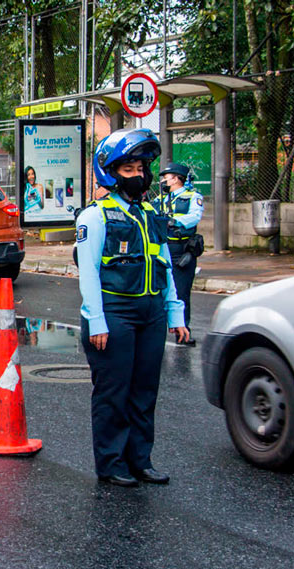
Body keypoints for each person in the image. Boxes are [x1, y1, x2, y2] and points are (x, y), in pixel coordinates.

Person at [75, 128, 190, 488]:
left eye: (142, 168)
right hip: (114, 314)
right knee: (114, 393)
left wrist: (175, 314)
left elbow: (165, 265)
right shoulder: (95, 217)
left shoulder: (150, 214)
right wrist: (97, 322)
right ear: (110, 172)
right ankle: (111, 463)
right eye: (129, 169)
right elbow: (89, 273)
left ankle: (140, 460)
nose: (139, 175)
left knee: (144, 391)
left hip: (150, 313)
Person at [154, 162, 203, 346]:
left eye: (167, 178)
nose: (164, 181)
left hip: (182, 251)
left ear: (176, 178)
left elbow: (194, 217)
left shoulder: (192, 197)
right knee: (158, 291)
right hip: (163, 248)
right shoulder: (160, 199)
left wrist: (173, 221)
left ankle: (184, 332)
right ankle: (157, 331)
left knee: (181, 292)